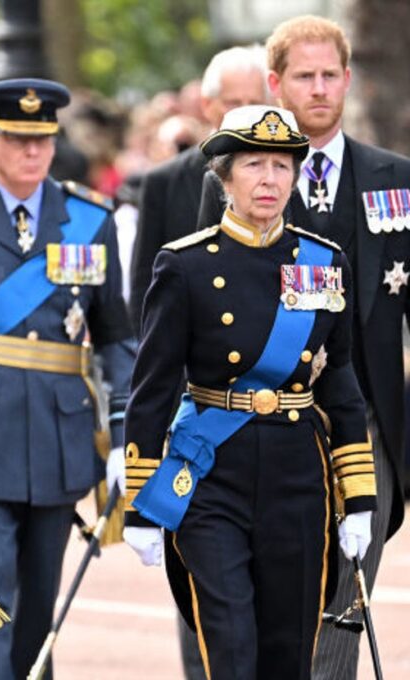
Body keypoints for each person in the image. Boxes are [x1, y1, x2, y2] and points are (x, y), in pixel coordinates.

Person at [123, 104, 375, 679]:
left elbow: (340, 384)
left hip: (296, 473)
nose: (270, 180)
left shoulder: (324, 264)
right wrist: (141, 500)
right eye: (255, 165)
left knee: (289, 652)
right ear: (225, 177)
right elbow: (153, 387)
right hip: (212, 474)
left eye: (283, 166)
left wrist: (358, 498)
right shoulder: (184, 266)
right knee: (231, 645)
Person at [195, 18, 410, 677]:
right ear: (275, 84)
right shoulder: (228, 182)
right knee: (257, 612)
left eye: (329, 75)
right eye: (303, 76)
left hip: (363, 427)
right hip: (255, 426)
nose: (318, 89)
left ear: (348, 79)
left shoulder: (395, 180)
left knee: (347, 608)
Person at [0, 78, 134, 680]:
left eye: (41, 139)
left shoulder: (89, 219)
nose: (31, 152)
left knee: (39, 622)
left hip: (57, 447)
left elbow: (116, 336)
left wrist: (124, 433)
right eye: (15, 139)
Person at [129, 44, 270, 332]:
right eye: (233, 103)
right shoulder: (163, 181)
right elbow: (145, 281)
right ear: (207, 105)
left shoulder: (283, 177)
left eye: (253, 102)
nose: (244, 113)